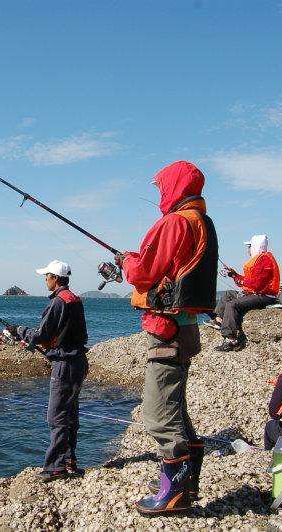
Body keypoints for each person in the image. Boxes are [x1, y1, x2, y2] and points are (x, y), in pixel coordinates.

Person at [113, 160, 218, 514]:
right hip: (187, 328)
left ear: (174, 186)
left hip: (167, 332)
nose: (159, 193)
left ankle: (172, 494)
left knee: (158, 413)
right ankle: (188, 487)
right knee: (176, 406)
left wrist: (127, 262)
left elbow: (144, 270)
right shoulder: (200, 221)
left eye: (162, 187)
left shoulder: (175, 222)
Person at [7, 260, 89, 482]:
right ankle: (70, 461)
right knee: (70, 414)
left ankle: (55, 467)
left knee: (56, 416)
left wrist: (19, 331)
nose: (45, 279)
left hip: (65, 365)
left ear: (55, 278)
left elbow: (41, 336)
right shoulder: (75, 299)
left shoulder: (58, 302)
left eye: (47, 276)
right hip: (79, 361)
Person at [213, 234, 281, 352]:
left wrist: (238, 278)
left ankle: (231, 339)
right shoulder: (261, 259)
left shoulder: (264, 260)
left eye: (249, 246)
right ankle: (219, 321)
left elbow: (256, 285)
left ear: (255, 246)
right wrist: (234, 275)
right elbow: (250, 282)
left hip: (265, 296)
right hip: (257, 293)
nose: (248, 249)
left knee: (232, 304)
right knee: (227, 294)